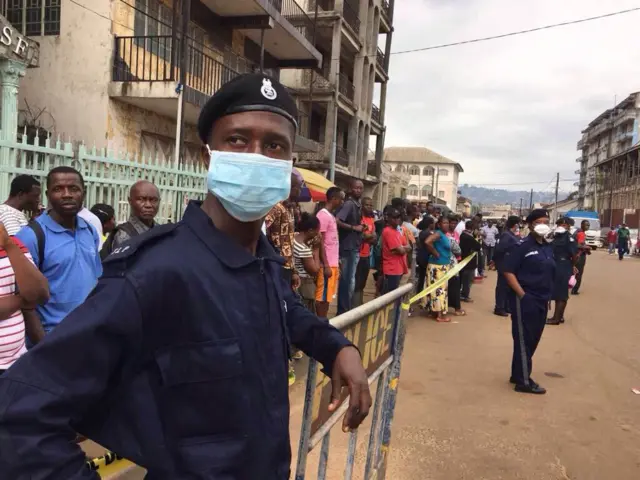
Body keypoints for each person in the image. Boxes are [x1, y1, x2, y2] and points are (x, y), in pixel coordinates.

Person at [0, 73, 371, 478]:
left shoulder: (261, 260)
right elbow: (19, 416)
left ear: (288, 164)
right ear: (208, 156)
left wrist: (337, 348)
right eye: (237, 140)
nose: (256, 156)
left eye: (274, 145)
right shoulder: (156, 272)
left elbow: (286, 311)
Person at [15, 166, 102, 337]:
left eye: (74, 189)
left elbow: (96, 280)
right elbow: (24, 300)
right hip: (54, 338)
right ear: (47, 195)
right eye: (58, 189)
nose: (67, 194)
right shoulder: (31, 236)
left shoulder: (90, 230)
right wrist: (44, 347)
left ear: (83, 193)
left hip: (90, 333)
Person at [503, 209, 556, 394]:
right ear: (530, 224)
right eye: (538, 221)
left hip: (543, 299)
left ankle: (517, 373)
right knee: (524, 339)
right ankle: (523, 381)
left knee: (533, 339)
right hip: (526, 298)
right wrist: (522, 295)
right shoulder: (522, 246)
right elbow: (508, 271)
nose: (542, 224)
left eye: (546, 221)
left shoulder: (547, 246)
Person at [0, 222, 49, 373]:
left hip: (16, 365)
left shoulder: (12, 242)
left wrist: (8, 244)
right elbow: (30, 297)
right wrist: (21, 300)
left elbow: (40, 293)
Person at [102, 181, 160, 258]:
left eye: (153, 200)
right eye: (141, 199)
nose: (148, 205)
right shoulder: (123, 235)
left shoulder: (161, 230)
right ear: (130, 201)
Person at [265, 173, 303, 289]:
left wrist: (293, 271)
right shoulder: (276, 207)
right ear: (290, 187)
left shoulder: (289, 208)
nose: (300, 191)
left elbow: (288, 242)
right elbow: (261, 231)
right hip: (275, 266)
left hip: (287, 267)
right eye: (298, 187)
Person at [335, 179, 364, 314]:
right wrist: (354, 227)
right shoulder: (349, 204)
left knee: (351, 281)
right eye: (356, 188)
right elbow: (337, 221)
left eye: (360, 188)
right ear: (351, 189)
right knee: (346, 281)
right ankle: (343, 310)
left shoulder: (357, 205)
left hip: (353, 246)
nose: (358, 190)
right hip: (347, 247)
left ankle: (346, 309)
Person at [315, 187, 344, 317]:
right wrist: (326, 264)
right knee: (322, 297)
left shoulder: (331, 216)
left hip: (333, 263)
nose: (342, 202)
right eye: (341, 199)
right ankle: (321, 324)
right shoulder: (322, 215)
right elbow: (319, 241)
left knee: (327, 297)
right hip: (326, 265)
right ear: (334, 199)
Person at [547, 217, 578, 325]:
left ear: (568, 226)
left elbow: (574, 256)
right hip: (555, 265)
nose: (561, 227)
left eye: (564, 225)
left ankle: (556, 318)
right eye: (560, 225)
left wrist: (571, 266)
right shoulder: (554, 236)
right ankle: (559, 316)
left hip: (563, 265)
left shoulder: (569, 238)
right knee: (557, 292)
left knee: (561, 294)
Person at [425, 215, 452, 322]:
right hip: (438, 266)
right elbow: (427, 242)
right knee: (440, 290)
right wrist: (435, 253)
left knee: (438, 289)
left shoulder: (444, 235)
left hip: (443, 265)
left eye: (447, 223)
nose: (447, 225)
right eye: (444, 223)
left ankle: (435, 312)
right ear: (439, 225)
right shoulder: (438, 233)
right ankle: (440, 315)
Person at [493, 215, 521, 317]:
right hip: (504, 265)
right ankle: (499, 307)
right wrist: (496, 262)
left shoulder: (512, 235)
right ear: (515, 225)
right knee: (502, 287)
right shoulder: (506, 235)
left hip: (510, 265)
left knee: (508, 287)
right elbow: (500, 250)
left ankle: (506, 306)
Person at [293, 212, 321, 312]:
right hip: (304, 286)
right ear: (310, 231)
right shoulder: (303, 249)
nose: (318, 234)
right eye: (317, 231)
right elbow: (314, 270)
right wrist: (316, 250)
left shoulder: (293, 237)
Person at [353, 196, 376, 308]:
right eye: (367, 205)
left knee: (363, 282)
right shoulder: (359, 218)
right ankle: (354, 305)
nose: (369, 207)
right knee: (356, 282)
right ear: (362, 205)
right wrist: (368, 236)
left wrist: (368, 236)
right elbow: (362, 236)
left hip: (367, 255)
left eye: (371, 205)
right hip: (357, 254)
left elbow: (374, 237)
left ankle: (359, 304)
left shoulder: (371, 220)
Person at [380, 207, 410, 294]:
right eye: (394, 217)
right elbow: (401, 250)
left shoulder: (397, 231)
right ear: (388, 218)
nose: (397, 219)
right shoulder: (388, 231)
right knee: (390, 297)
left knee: (396, 296)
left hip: (399, 267)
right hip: (392, 269)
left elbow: (409, 246)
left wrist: (402, 248)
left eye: (398, 217)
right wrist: (403, 248)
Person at [446, 215, 465, 316]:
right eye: (451, 223)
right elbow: (456, 249)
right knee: (448, 285)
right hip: (446, 262)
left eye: (455, 223)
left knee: (455, 285)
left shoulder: (457, 234)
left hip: (455, 262)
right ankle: (454, 308)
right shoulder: (446, 235)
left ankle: (456, 307)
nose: (453, 225)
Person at [459, 220, 481, 302]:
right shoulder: (468, 237)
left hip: (465, 261)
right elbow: (478, 246)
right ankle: (465, 295)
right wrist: (475, 237)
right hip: (468, 262)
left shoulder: (463, 235)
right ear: (472, 228)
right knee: (468, 280)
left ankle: (463, 294)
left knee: (466, 279)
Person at [571, 220, 591, 295]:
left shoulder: (576, 232)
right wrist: (587, 247)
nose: (587, 227)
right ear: (582, 225)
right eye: (586, 225)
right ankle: (575, 290)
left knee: (573, 272)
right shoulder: (581, 233)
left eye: (588, 225)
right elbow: (579, 245)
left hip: (573, 255)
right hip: (579, 256)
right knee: (579, 273)